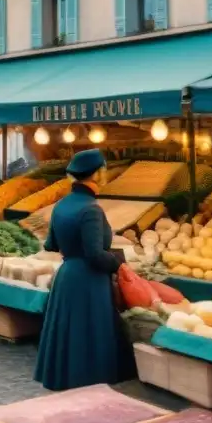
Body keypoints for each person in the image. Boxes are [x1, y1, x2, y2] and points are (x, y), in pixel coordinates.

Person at [34, 148, 135, 391]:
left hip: (67, 275)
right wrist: (120, 264)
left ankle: (66, 380)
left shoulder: (61, 205)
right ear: (98, 174)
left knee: (70, 334)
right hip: (89, 281)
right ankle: (89, 384)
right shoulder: (91, 209)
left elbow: (50, 244)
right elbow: (95, 255)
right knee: (89, 334)